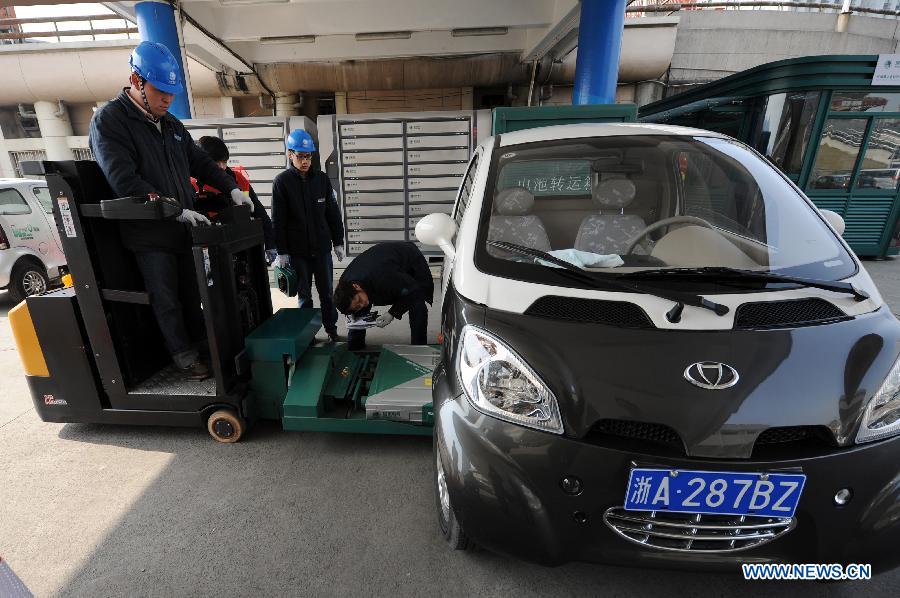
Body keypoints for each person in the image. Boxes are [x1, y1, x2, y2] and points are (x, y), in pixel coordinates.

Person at [88, 41, 252, 380]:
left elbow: (200, 163)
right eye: (160, 91)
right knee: (167, 298)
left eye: (171, 92)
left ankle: (201, 346)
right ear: (136, 80)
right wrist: (172, 209)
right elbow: (123, 179)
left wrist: (232, 188)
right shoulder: (110, 121)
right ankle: (185, 357)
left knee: (195, 295)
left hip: (183, 229)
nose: (167, 99)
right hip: (149, 234)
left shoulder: (172, 125)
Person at [272, 129, 345, 342]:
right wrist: (282, 251)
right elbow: (278, 220)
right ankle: (308, 336)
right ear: (290, 154)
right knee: (304, 296)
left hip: (321, 249)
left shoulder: (321, 180)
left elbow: (332, 212)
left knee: (327, 294)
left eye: (309, 156)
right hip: (297, 252)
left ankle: (331, 330)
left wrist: (338, 241)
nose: (305, 161)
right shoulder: (282, 182)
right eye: (301, 156)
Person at [191, 135, 277, 264]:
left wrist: (271, 244)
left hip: (242, 246)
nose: (221, 167)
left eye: (224, 162)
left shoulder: (238, 180)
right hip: (210, 250)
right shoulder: (192, 184)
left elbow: (259, 212)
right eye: (216, 162)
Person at [333, 241, 434, 350]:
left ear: (356, 286)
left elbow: (414, 290)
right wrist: (352, 317)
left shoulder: (383, 277)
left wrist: (392, 313)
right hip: (382, 261)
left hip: (410, 259)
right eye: (356, 305)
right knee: (357, 314)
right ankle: (355, 347)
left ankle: (419, 348)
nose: (362, 304)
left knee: (417, 302)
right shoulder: (345, 283)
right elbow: (355, 305)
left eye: (359, 300)